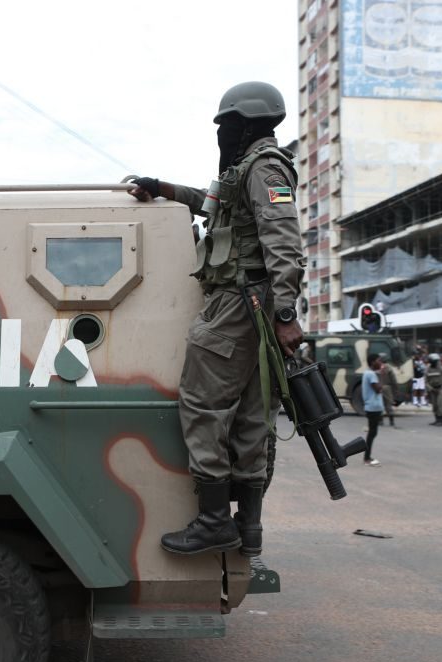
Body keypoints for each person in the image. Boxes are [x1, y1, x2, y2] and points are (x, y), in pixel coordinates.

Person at [129, 82, 306, 557]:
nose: (221, 132)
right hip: (252, 305)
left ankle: (213, 521)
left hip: (241, 303)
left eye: (226, 123)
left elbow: (284, 241)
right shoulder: (246, 169)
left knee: (203, 403)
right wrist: (162, 189)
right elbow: (211, 207)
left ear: (247, 124)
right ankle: (248, 526)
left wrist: (286, 313)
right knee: (251, 414)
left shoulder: (265, 168)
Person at [362, 353, 384, 466]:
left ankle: (367, 456)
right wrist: (382, 375)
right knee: (372, 433)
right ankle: (367, 458)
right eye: (379, 361)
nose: (381, 363)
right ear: (372, 362)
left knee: (372, 433)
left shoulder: (368, 373)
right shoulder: (371, 374)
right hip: (373, 408)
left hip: (372, 407)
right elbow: (378, 389)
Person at [425, 353, 442, 426]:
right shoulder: (428, 369)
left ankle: (441, 421)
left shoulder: (441, 368)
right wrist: (430, 389)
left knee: (440, 405)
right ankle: (436, 420)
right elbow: (425, 381)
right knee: (434, 406)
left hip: (440, 389)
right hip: (433, 390)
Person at [379, 353, 397, 427]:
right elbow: (393, 379)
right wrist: (395, 388)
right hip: (388, 388)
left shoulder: (378, 367)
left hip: (379, 387)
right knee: (388, 404)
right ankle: (391, 421)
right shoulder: (389, 367)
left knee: (380, 405)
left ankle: (380, 421)